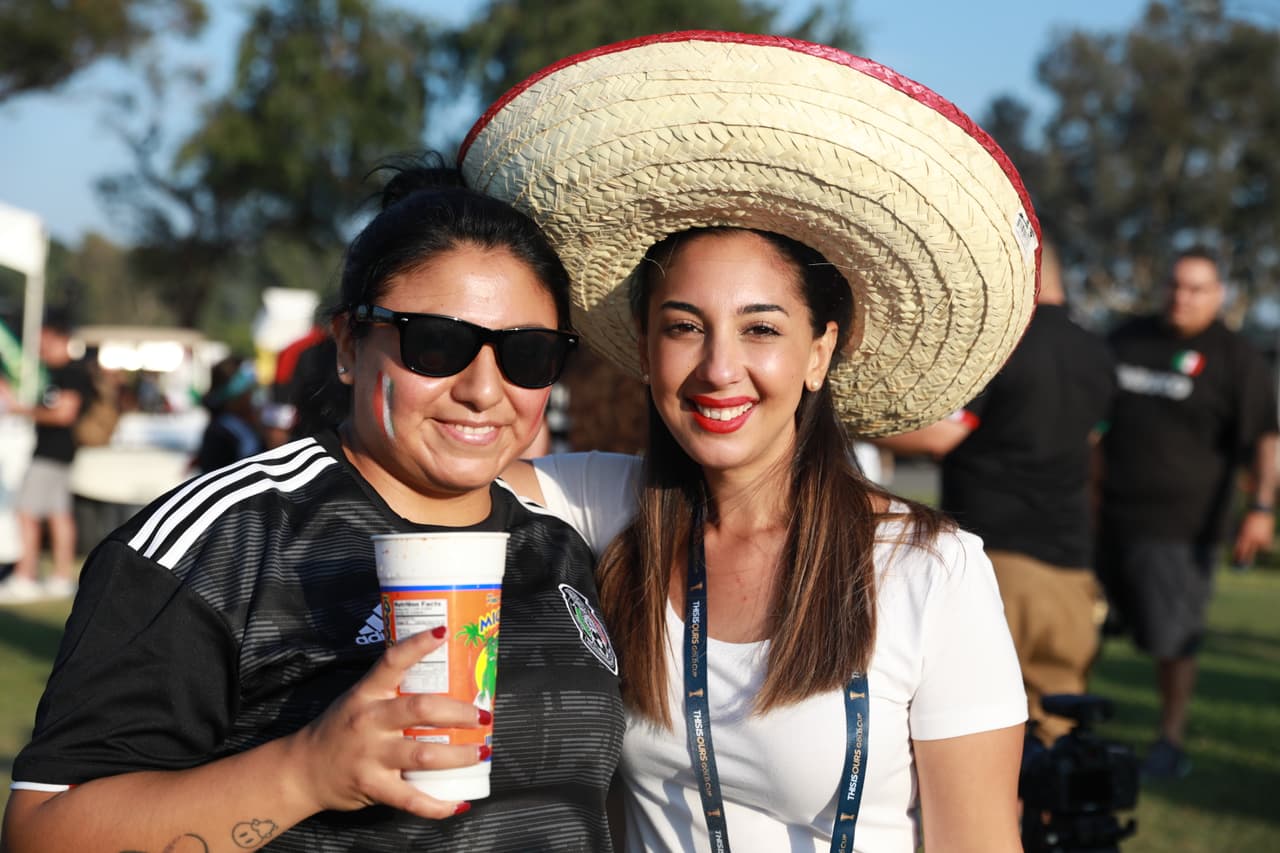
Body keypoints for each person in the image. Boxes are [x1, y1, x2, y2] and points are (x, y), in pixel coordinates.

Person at [468, 33, 1036, 852]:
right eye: (684, 327)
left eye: (760, 328)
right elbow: (441, 461)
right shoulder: (601, 508)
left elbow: (978, 842)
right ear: (645, 346)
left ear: (819, 352)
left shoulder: (929, 569)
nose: (719, 369)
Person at [1, 162, 624, 852]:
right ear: (350, 346)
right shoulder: (227, 538)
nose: (483, 389)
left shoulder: (561, 545)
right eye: (437, 344)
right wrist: (306, 771)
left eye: (528, 354)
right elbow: (42, 834)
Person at [875, 242, 1116, 745]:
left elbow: (943, 434)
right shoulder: (1098, 352)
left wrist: (843, 422)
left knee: (981, 728)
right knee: (1060, 730)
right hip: (1072, 567)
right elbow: (1096, 445)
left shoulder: (1002, 344)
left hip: (996, 557)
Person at [1097, 247, 1278, 779]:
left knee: (1172, 641)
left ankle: (1169, 739)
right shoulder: (1126, 339)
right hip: (1103, 519)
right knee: (1081, 630)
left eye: (1196, 289)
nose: (1182, 297)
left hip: (1181, 530)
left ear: (1218, 295)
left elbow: (1265, 439)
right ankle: (1069, 729)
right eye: (1176, 285)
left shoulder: (1236, 357)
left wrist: (1261, 508)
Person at [0, 308, 94, 603]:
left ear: (59, 338)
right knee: (58, 514)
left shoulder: (71, 374)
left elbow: (64, 413)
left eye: (45, 341)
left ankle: (26, 576)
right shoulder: (54, 373)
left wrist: (21, 410)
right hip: (59, 454)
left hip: (52, 452)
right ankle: (60, 577)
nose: (41, 348)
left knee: (26, 513)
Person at [192, 355, 264, 474]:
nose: (251, 396)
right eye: (248, 390)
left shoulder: (247, 425)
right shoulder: (219, 433)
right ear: (234, 396)